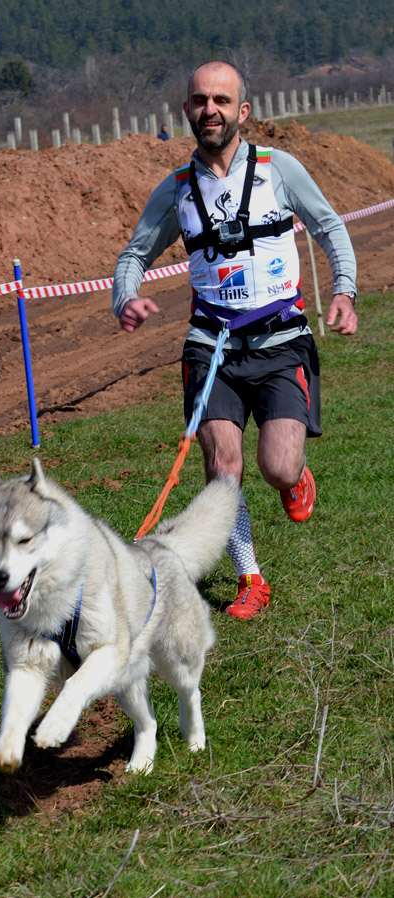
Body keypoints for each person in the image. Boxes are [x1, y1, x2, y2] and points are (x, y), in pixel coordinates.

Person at [112, 60, 357, 619]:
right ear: (186, 111)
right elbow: (134, 255)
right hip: (212, 346)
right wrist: (125, 298)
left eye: (221, 100)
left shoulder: (278, 169)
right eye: (200, 100)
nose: (210, 110)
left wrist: (344, 290)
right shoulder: (177, 189)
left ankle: (294, 477)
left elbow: (329, 225)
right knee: (223, 467)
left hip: (281, 341)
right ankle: (250, 576)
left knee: (277, 466)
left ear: (242, 111)